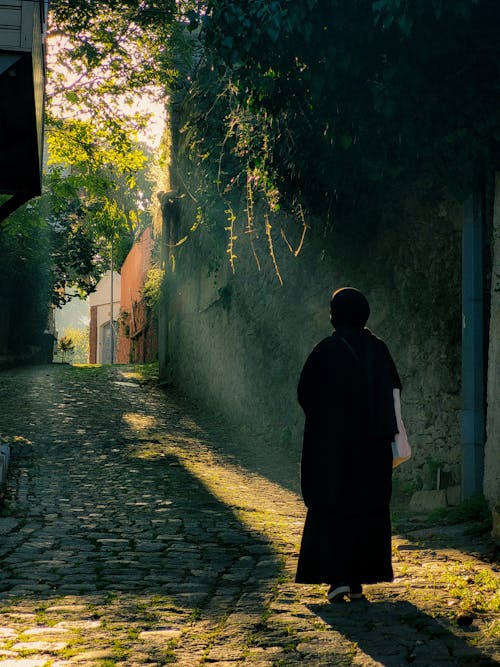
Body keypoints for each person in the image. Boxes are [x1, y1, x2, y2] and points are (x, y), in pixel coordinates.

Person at [295, 287, 402, 602]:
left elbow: (305, 393)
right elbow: (395, 389)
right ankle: (357, 580)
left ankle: (338, 577)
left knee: (334, 508)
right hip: (373, 449)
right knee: (366, 510)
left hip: (334, 450)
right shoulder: (378, 349)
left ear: (336, 314)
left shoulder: (326, 349)